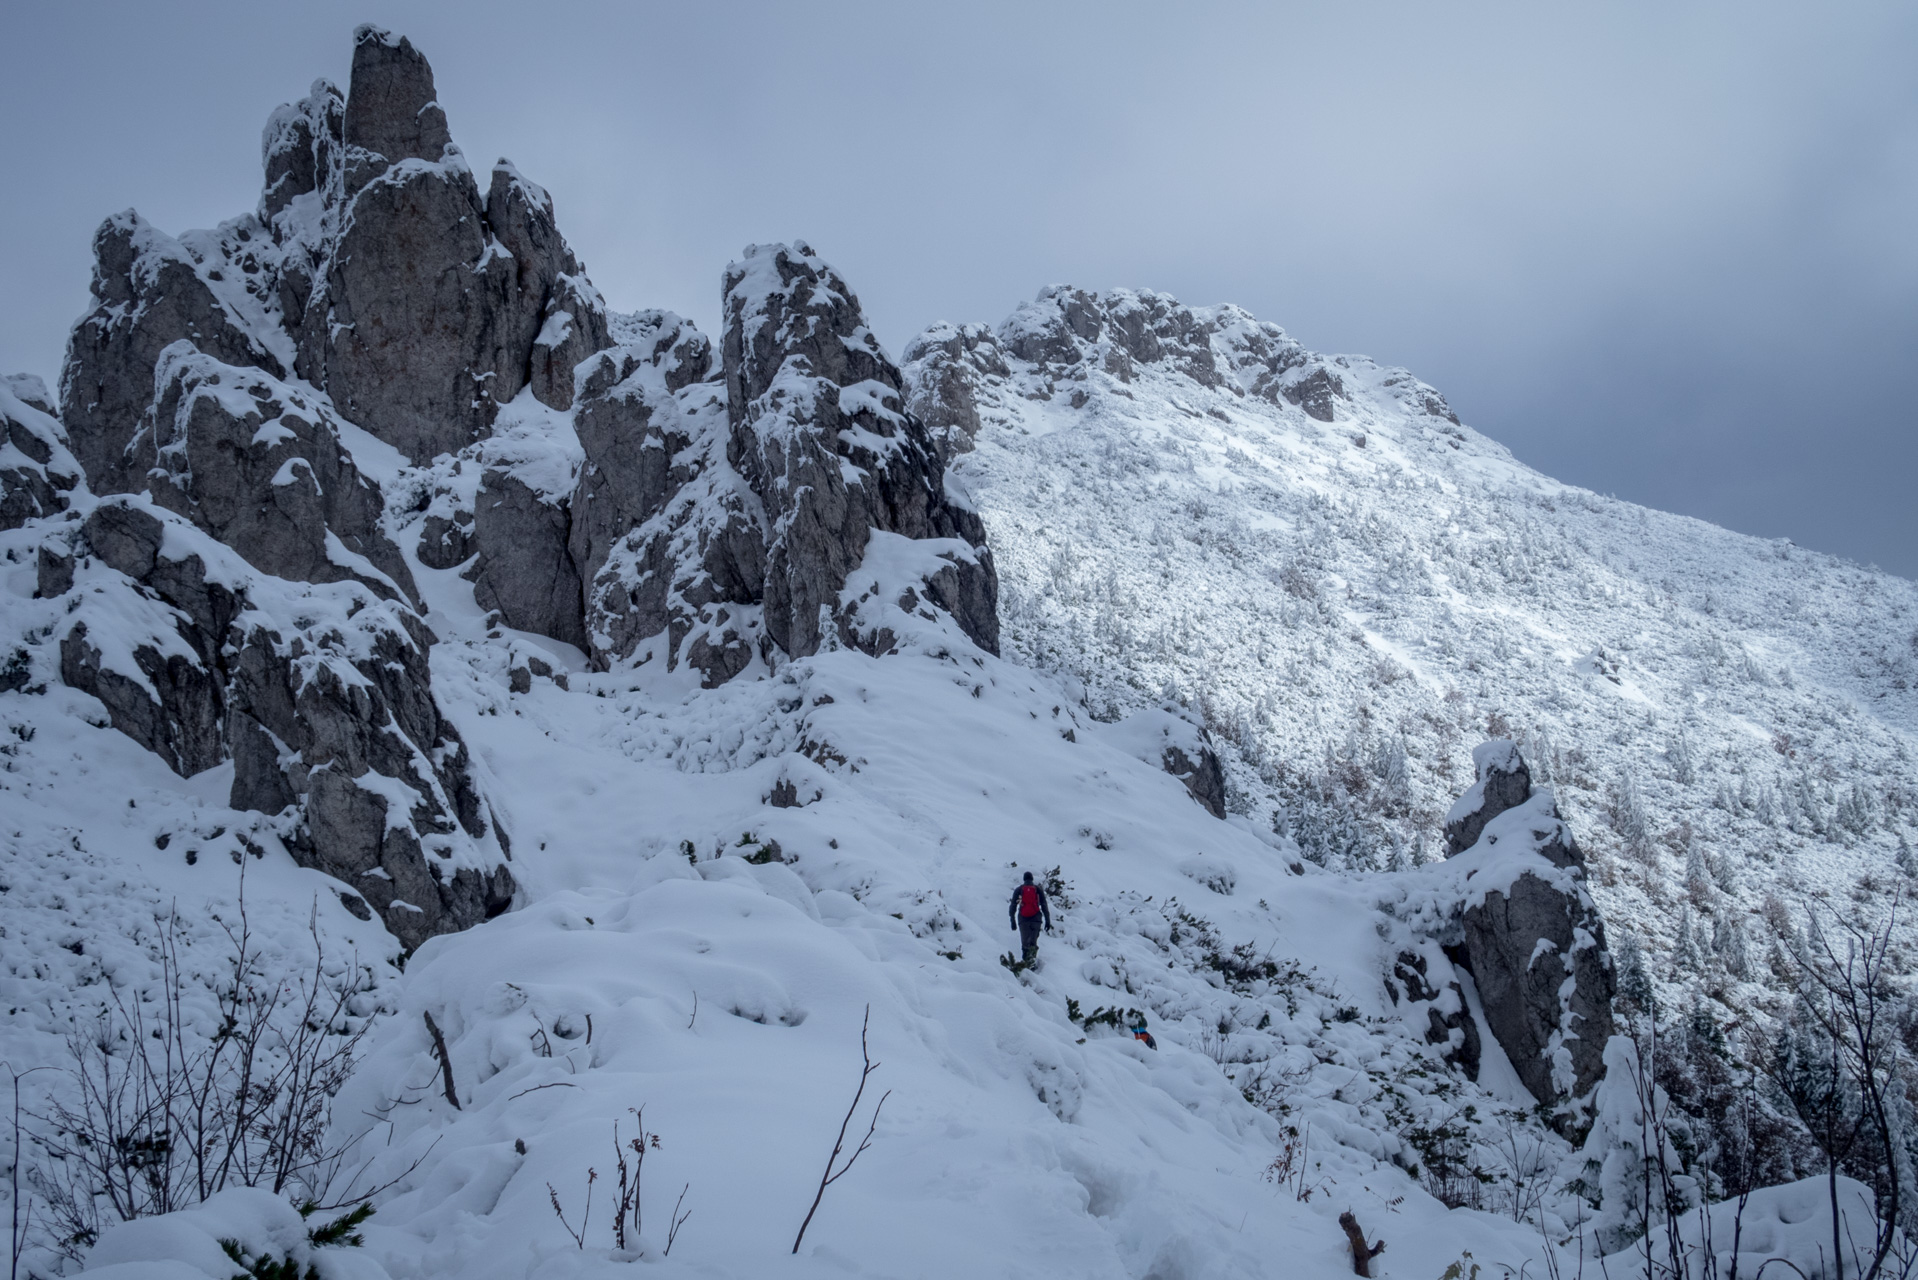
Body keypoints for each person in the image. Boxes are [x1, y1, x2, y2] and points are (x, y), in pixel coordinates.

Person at [1008, 871, 1052, 964]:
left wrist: (1012, 920)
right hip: (1036, 919)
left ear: (1024, 879)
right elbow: (1044, 905)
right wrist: (1047, 920)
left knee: (1025, 943)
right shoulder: (1038, 889)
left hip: (1023, 919)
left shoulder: (1019, 890)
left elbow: (1013, 906)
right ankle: (1032, 962)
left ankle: (1025, 964)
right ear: (1032, 879)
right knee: (1033, 942)